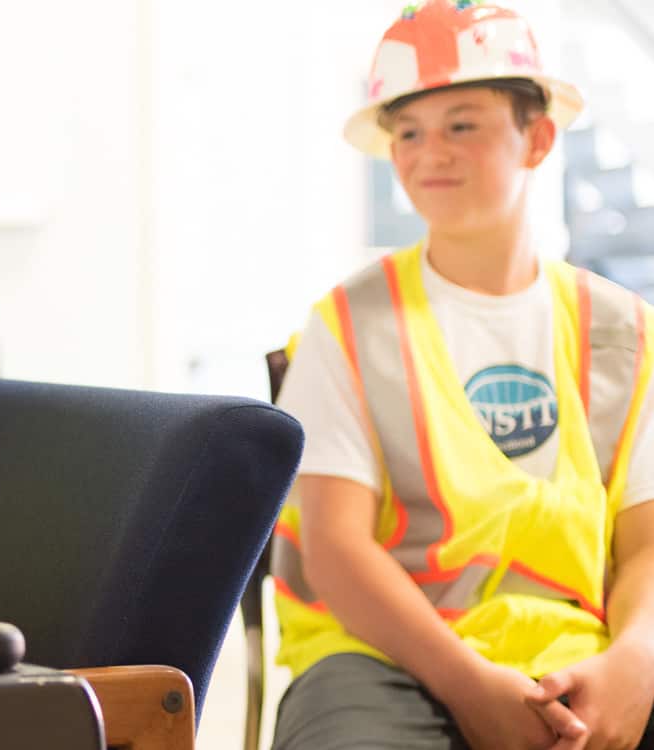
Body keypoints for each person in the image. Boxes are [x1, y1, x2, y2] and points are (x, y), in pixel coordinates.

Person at [271, 2, 654, 748]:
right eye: (407, 132)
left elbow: (647, 542)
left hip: (586, 647)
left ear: (537, 137)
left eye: (462, 125)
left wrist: (636, 660)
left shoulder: (626, 333)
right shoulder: (347, 326)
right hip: (379, 658)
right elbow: (336, 552)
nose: (428, 153)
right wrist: (470, 685)